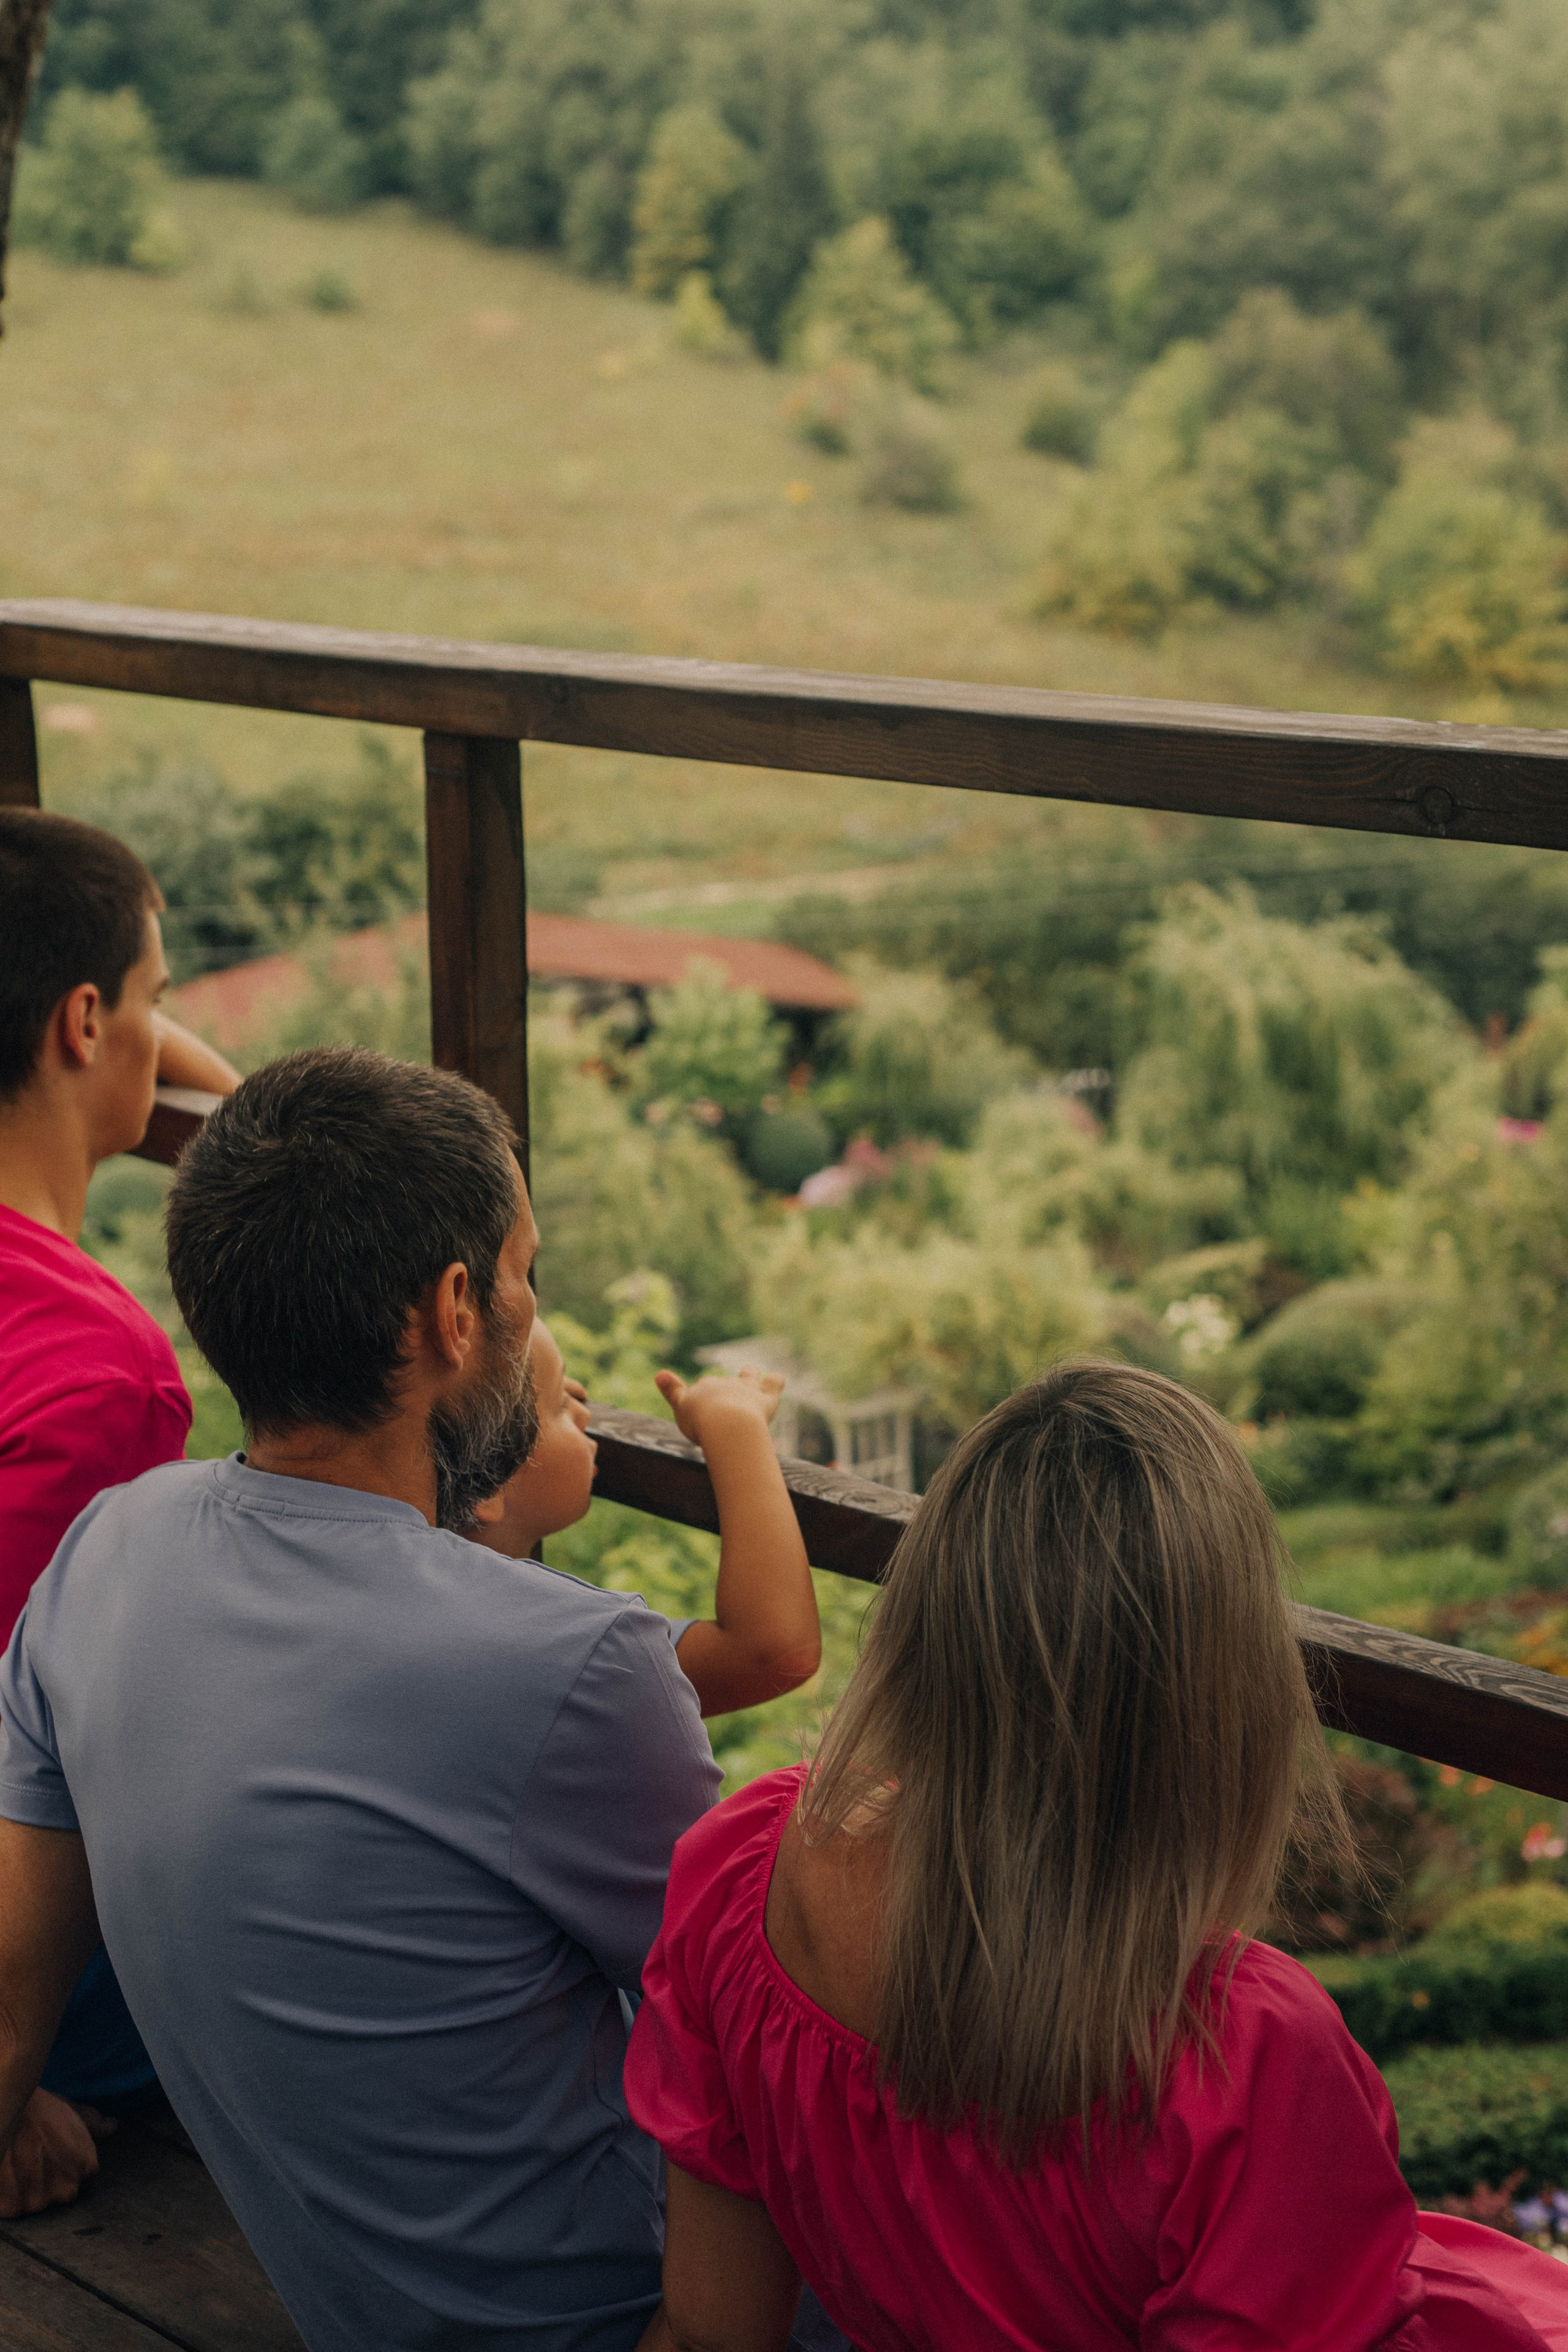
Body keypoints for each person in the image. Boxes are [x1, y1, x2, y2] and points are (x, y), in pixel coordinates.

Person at [0, 1045, 722, 2352]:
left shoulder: (103, 1552)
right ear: (453, 1312)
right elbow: (766, 2059)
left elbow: (8, 1993)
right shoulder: (576, 1668)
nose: (528, 1305)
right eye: (521, 1271)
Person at [624, 1359, 1568, 2351]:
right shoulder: (1243, 2056)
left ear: (930, 1617)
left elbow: (712, 2327)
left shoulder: (745, 1873)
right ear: (1221, 1685)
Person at [0, 807, 239, 2210]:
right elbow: (34, 1756)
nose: (169, 1035)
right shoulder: (101, 1373)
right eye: (156, 999)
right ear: (83, 1022)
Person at [469, 1321, 823, 1718]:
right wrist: (736, 1423)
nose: (585, 1405)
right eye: (561, 1403)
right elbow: (772, 1652)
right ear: (486, 1486)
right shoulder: (548, 1657)